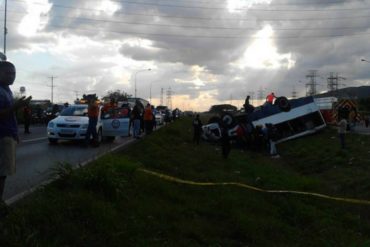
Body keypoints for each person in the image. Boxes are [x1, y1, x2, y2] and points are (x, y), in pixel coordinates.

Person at [0, 60, 32, 201]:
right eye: (8, 73)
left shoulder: (6, 89)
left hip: (8, 134)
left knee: (3, 173)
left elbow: (10, 116)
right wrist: (16, 106)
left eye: (14, 73)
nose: (12, 76)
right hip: (2, 136)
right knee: (1, 173)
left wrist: (15, 134)